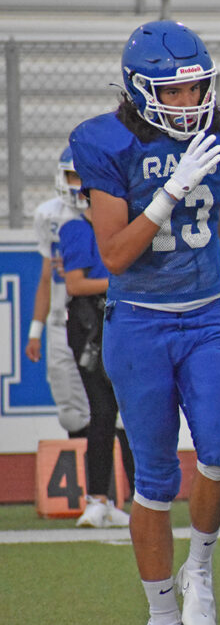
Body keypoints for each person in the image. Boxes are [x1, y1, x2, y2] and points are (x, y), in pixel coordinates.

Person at [69, 20, 220, 625]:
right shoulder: (103, 142)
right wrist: (169, 192)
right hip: (140, 321)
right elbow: (114, 255)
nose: (191, 99)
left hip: (203, 317)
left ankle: (198, 564)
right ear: (140, 90)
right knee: (154, 478)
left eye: (198, 85)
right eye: (174, 90)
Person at [56, 156, 134, 530]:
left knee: (133, 415)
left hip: (127, 321)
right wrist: (120, 283)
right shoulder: (74, 229)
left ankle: (139, 497)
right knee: (102, 413)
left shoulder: (127, 225)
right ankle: (97, 498)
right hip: (92, 326)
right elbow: (74, 285)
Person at [26, 148, 91, 444]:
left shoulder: (110, 209)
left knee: (108, 403)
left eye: (84, 176)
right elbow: (44, 277)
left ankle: (113, 478)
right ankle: (85, 474)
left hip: (98, 313)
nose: (78, 184)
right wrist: (35, 331)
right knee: (69, 405)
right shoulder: (48, 214)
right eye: (73, 175)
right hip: (60, 317)